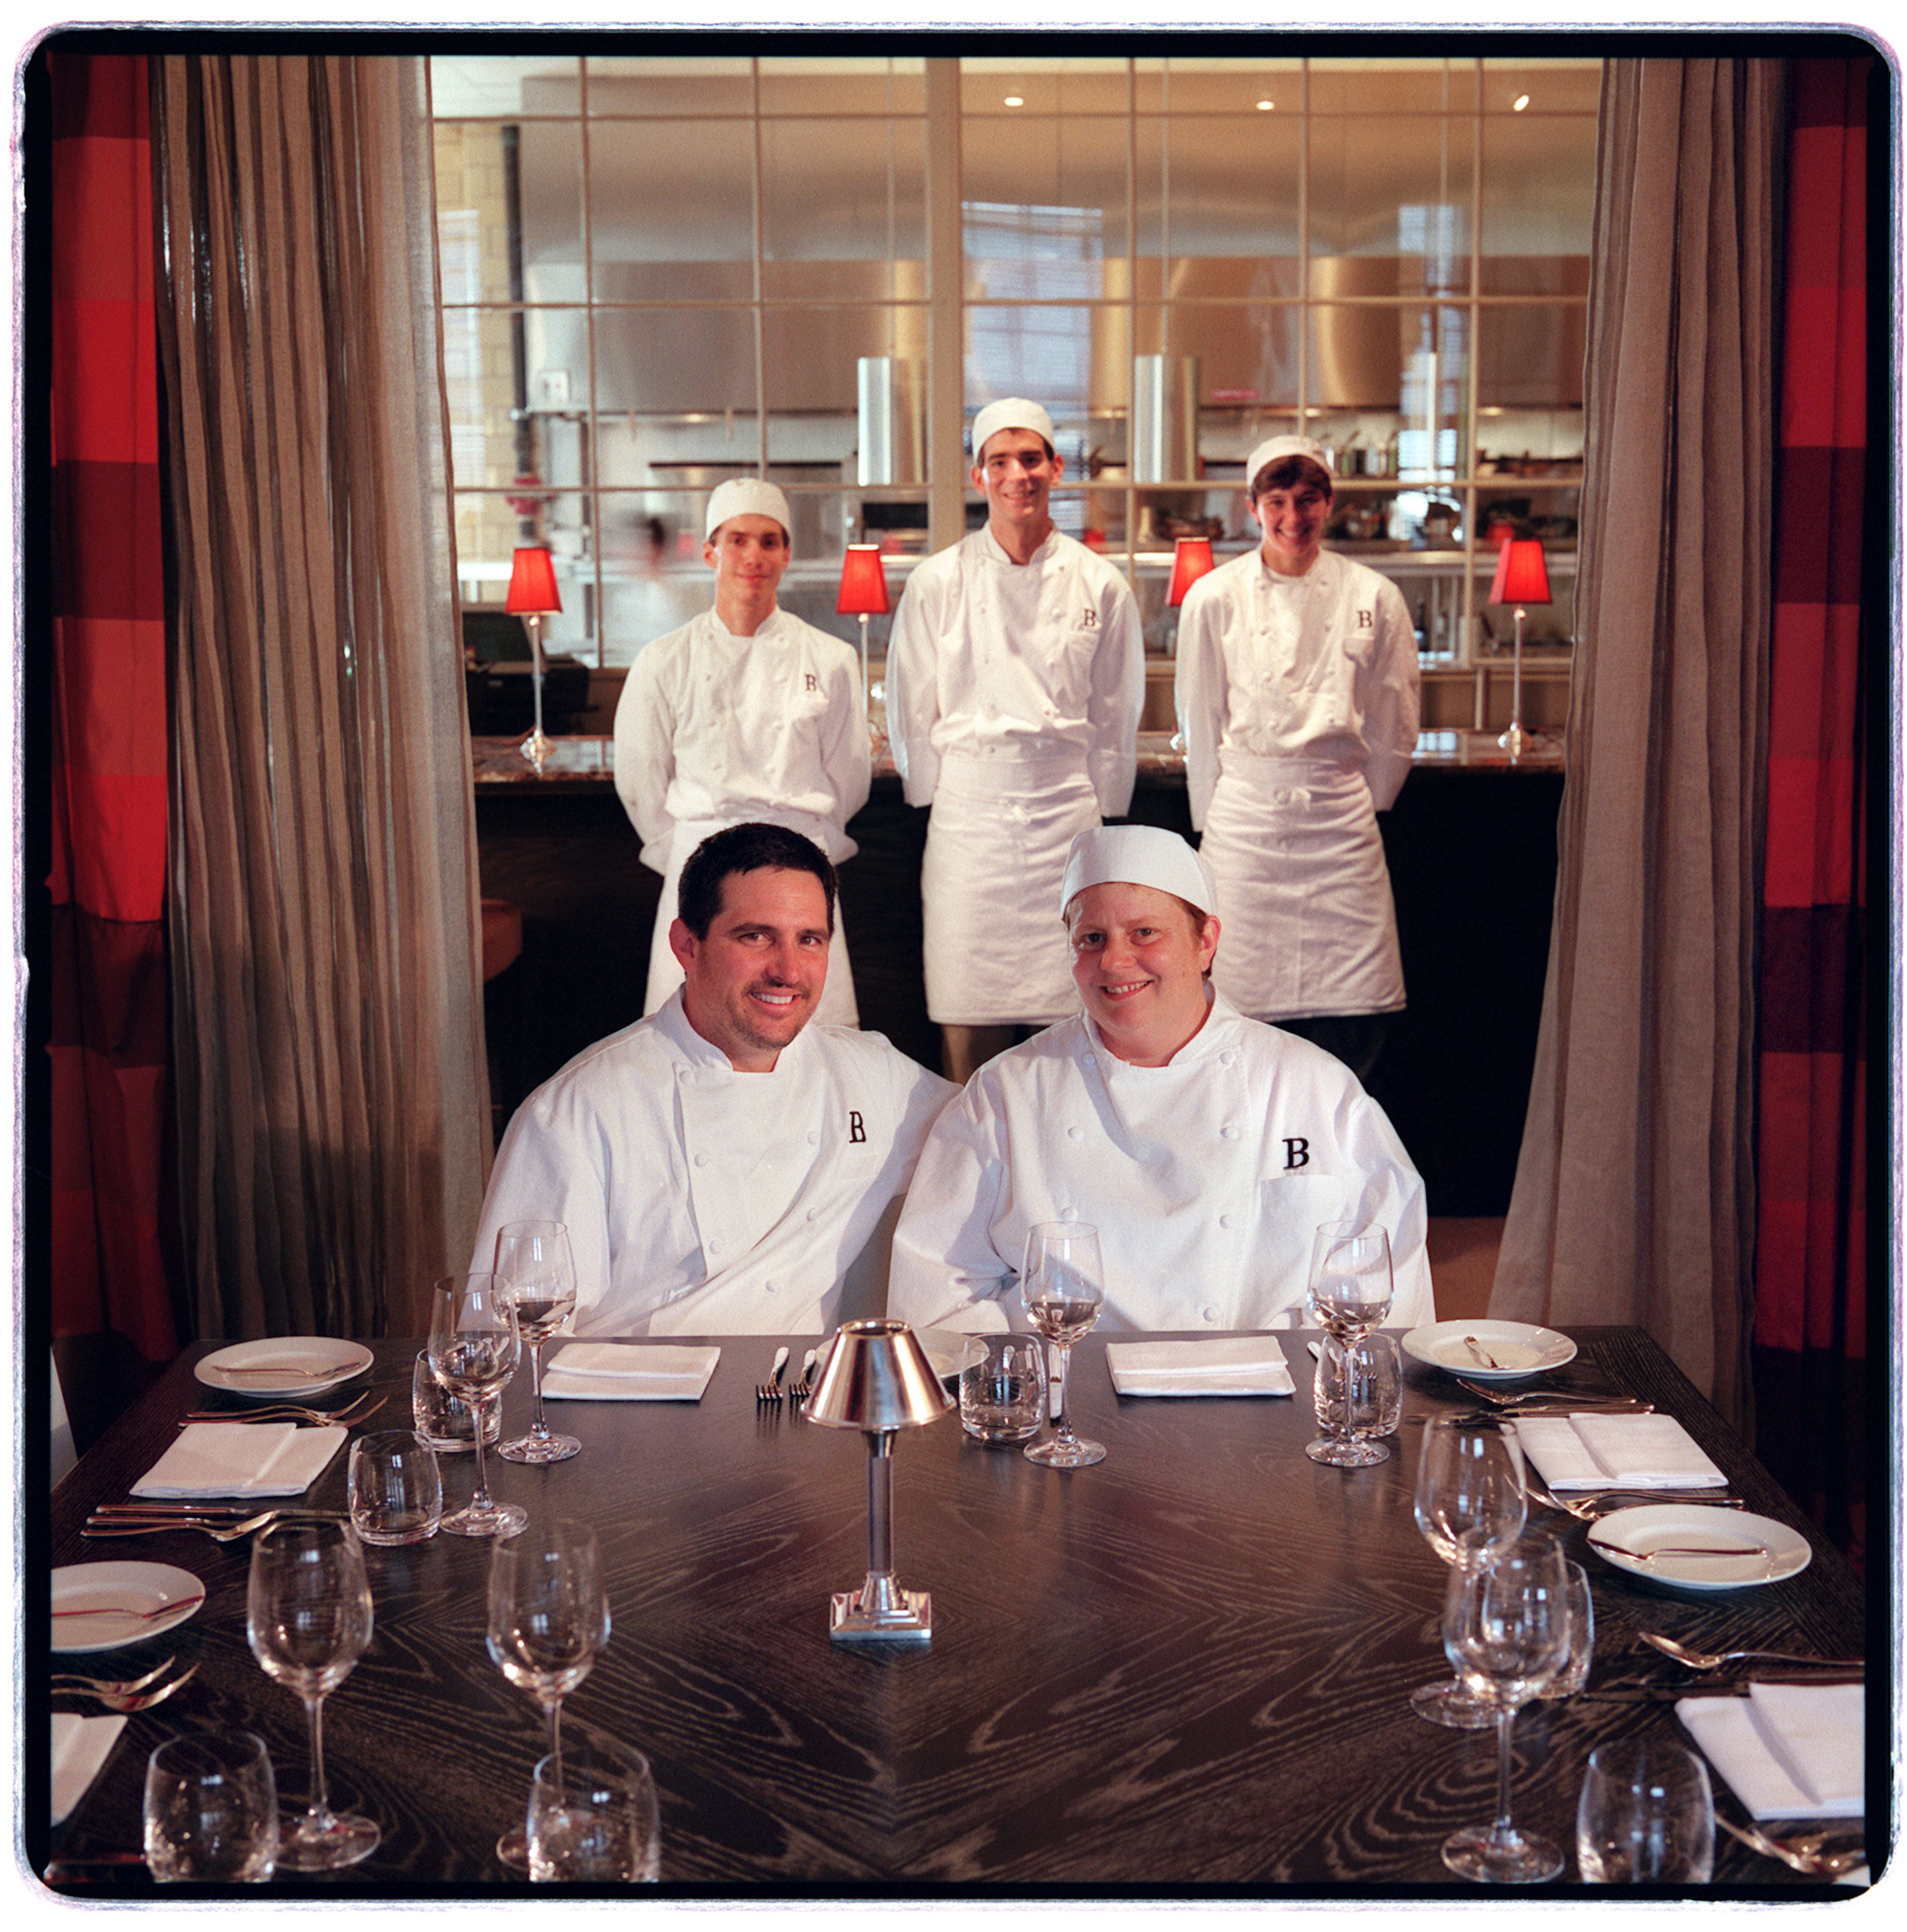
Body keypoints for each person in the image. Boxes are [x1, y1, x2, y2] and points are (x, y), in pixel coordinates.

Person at [886, 823, 1432, 1333]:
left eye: (1145, 932)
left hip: (1269, 1408)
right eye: (1092, 938)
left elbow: (1385, 1283)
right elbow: (937, 1290)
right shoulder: (1007, 1093)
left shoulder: (1313, 1087)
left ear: (1206, 941)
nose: (1116, 961)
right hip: (1064, 1410)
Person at [472, 823, 956, 1336]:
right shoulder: (577, 1112)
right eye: (756, 936)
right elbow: (509, 1343)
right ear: (687, 946)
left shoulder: (870, 1075)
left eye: (809, 939)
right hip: (631, 1403)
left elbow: (999, 1132)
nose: (788, 970)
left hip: (801, 1396)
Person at [884, 397, 1145, 1083]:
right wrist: (933, 789)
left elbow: (1117, 708)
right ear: (979, 477)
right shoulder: (938, 581)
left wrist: (1106, 800)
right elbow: (911, 702)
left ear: (1057, 467)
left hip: (1066, 813)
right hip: (971, 823)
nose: (1017, 475)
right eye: (1000, 461)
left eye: (1031, 458)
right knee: (970, 1032)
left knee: (1078, 1024)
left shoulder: (1101, 582)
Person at [1174, 435, 1420, 1082]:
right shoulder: (1215, 597)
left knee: (1353, 1017)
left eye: (1307, 500)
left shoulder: (1375, 596)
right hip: (1245, 826)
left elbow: (1396, 719)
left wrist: (1364, 799)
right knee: (1236, 1014)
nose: (1293, 518)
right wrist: (1215, 813)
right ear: (1253, 507)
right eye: (1277, 501)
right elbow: (1200, 721)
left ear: (1329, 502)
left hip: (1341, 826)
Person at [615, 477, 871, 1025]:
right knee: (695, 1036)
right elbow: (639, 781)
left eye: (769, 541)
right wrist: (686, 850)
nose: (753, 556)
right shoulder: (664, 660)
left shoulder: (830, 658)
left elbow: (850, 778)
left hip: (799, 865)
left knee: (809, 1040)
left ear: (786, 555)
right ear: (710, 551)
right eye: (737, 540)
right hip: (699, 865)